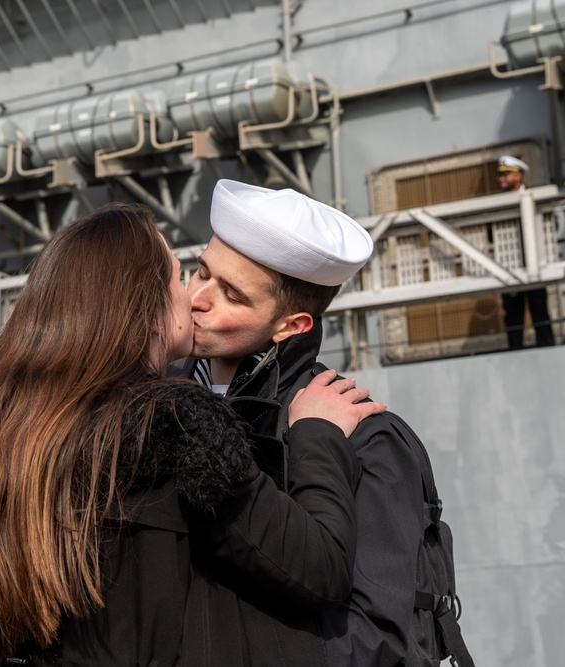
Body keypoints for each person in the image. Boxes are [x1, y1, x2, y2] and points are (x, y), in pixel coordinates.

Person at [0, 202, 385, 665]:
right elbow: (319, 570)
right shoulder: (173, 427)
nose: (194, 298)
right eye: (183, 276)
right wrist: (317, 432)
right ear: (148, 312)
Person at [183, 178, 434, 665]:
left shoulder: (366, 435)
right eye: (201, 272)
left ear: (291, 326)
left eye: (232, 295)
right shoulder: (149, 400)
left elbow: (381, 635)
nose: (197, 298)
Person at [496, 155, 555, 349]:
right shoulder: (497, 203)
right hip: (510, 267)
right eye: (500, 175)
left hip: (535, 262)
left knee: (539, 309)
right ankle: (515, 352)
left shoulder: (535, 196)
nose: (501, 179)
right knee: (513, 313)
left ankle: (547, 347)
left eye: (505, 174)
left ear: (518, 176)